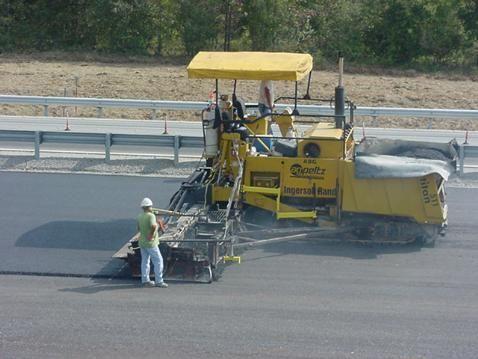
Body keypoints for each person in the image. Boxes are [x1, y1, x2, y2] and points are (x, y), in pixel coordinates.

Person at [137, 197, 168, 288]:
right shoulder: (151, 216)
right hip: (151, 243)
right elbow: (154, 226)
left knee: (145, 261)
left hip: (142, 242)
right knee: (158, 261)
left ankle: (145, 280)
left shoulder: (139, 216)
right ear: (150, 206)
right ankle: (159, 281)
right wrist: (151, 234)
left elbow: (138, 228)